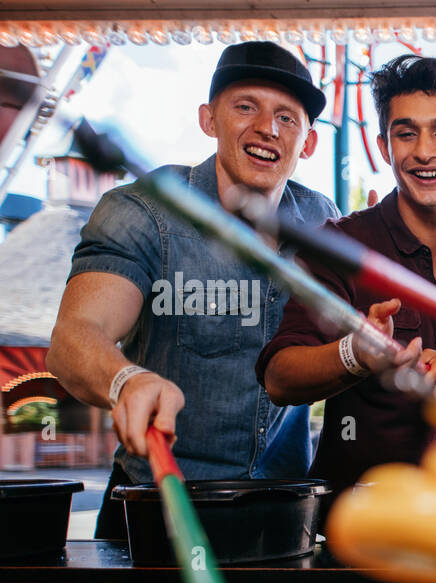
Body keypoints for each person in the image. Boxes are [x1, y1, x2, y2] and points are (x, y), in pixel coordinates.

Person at [47, 42, 337, 538]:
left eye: (287, 117)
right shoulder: (141, 210)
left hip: (284, 513)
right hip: (158, 505)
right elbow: (75, 337)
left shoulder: (325, 221)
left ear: (307, 143)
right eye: (246, 106)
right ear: (209, 119)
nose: (267, 127)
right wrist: (126, 381)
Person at [258, 55, 436, 498]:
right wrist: (356, 353)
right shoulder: (339, 244)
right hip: (357, 521)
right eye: (406, 134)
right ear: (386, 148)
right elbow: (279, 378)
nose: (424, 151)